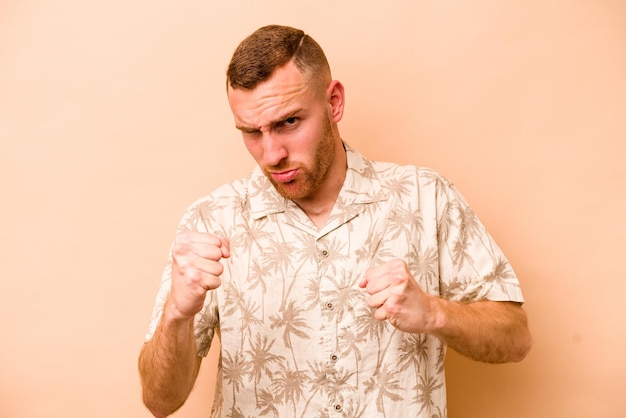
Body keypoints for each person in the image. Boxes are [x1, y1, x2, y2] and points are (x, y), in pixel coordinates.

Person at [138, 24, 532, 418]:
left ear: (334, 102)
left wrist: (433, 312)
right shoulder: (212, 220)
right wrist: (177, 313)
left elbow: (515, 338)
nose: (271, 153)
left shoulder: (426, 197)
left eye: (288, 122)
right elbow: (159, 401)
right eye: (251, 132)